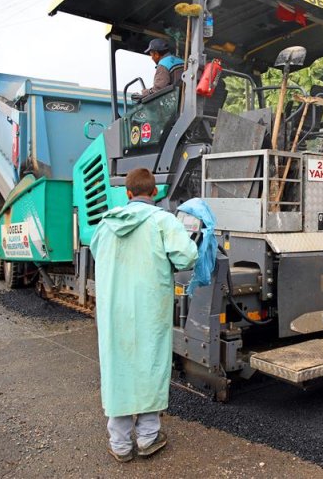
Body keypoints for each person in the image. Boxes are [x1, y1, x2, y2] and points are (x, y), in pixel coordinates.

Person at [90, 168, 198, 462]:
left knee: (118, 367)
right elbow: (187, 257)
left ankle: (121, 445)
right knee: (150, 363)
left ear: (127, 194)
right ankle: (148, 437)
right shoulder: (164, 221)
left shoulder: (105, 224)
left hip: (114, 309)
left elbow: (98, 253)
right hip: (150, 308)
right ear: (154, 193)